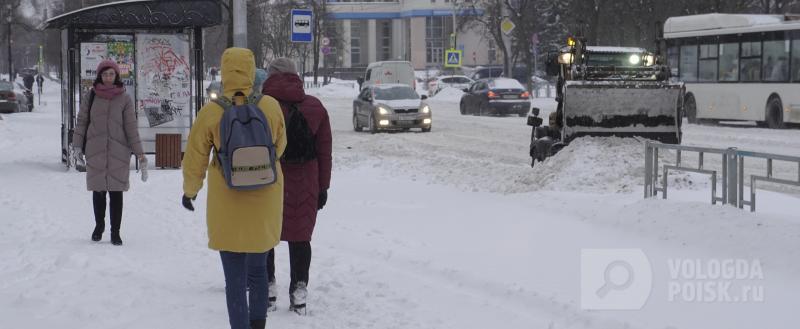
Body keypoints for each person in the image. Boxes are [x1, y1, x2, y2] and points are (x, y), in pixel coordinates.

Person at [182, 48, 286, 329]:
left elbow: (195, 157)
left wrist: (190, 191)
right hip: (264, 201)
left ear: (225, 71)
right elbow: (280, 146)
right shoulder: (270, 106)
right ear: (251, 71)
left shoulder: (211, 111)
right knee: (259, 273)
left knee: (235, 280)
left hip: (226, 203)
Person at [261, 57, 332, 315]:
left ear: (270, 76)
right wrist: (323, 187)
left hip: (268, 180)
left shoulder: (261, 106)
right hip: (305, 182)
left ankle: (267, 289)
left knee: (264, 236)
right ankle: (299, 293)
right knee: (301, 237)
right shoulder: (315, 107)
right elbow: (324, 152)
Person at [71, 60, 146, 246]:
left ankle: (115, 232)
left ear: (116, 75)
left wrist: (140, 154)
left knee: (116, 193)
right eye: (105, 74)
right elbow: (82, 122)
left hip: (118, 151)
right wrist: (77, 146)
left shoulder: (124, 98)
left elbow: (131, 128)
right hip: (95, 150)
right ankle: (99, 226)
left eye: (111, 74)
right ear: (100, 76)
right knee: (98, 191)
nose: (108, 77)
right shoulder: (91, 96)